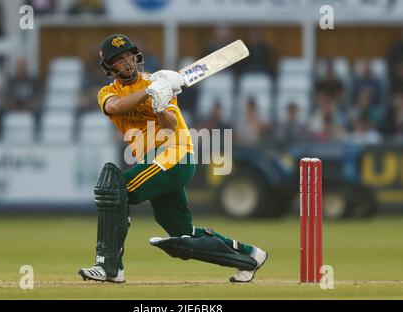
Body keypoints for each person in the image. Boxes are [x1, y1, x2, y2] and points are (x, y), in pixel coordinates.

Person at [78, 34, 268, 284]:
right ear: (109, 67)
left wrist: (159, 102)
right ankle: (249, 256)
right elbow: (116, 107)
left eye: (128, 56)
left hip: (174, 154)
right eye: (119, 59)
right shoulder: (108, 92)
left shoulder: (160, 82)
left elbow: (170, 123)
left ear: (136, 56)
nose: (127, 63)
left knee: (115, 190)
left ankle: (110, 267)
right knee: (183, 235)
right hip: (153, 162)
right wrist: (149, 92)